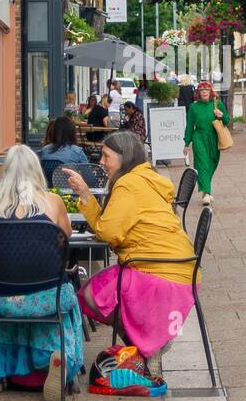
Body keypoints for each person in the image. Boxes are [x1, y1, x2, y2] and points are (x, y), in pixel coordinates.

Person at [65, 131, 196, 380]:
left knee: (93, 293)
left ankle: (146, 346)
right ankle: (144, 347)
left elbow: (108, 233)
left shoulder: (128, 184)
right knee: (100, 286)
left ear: (124, 158)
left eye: (106, 156)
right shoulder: (146, 178)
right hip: (178, 267)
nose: (101, 162)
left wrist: (85, 195)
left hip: (157, 269)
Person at [0, 144, 84, 401]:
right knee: (66, 295)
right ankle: (54, 361)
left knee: (3, 299)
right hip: (45, 297)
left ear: (7, 171)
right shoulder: (53, 201)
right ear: (36, 170)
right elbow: (64, 240)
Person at [183, 80, 225, 206]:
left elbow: (227, 120)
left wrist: (221, 115)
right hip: (199, 138)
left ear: (211, 92)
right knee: (202, 164)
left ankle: (206, 189)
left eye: (207, 90)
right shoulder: (194, 107)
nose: (204, 92)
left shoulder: (218, 104)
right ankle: (206, 193)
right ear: (198, 93)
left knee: (212, 162)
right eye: (202, 90)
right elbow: (190, 126)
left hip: (214, 138)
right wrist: (186, 143)